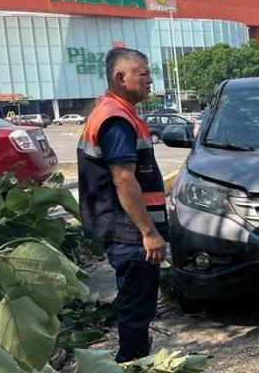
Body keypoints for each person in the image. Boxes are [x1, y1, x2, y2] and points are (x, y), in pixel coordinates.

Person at [78, 47, 168, 361]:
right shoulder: (115, 118)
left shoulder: (119, 111)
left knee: (137, 304)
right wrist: (149, 232)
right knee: (136, 308)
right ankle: (131, 363)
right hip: (129, 231)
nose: (150, 80)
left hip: (124, 228)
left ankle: (134, 359)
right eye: (143, 74)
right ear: (121, 77)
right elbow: (123, 179)